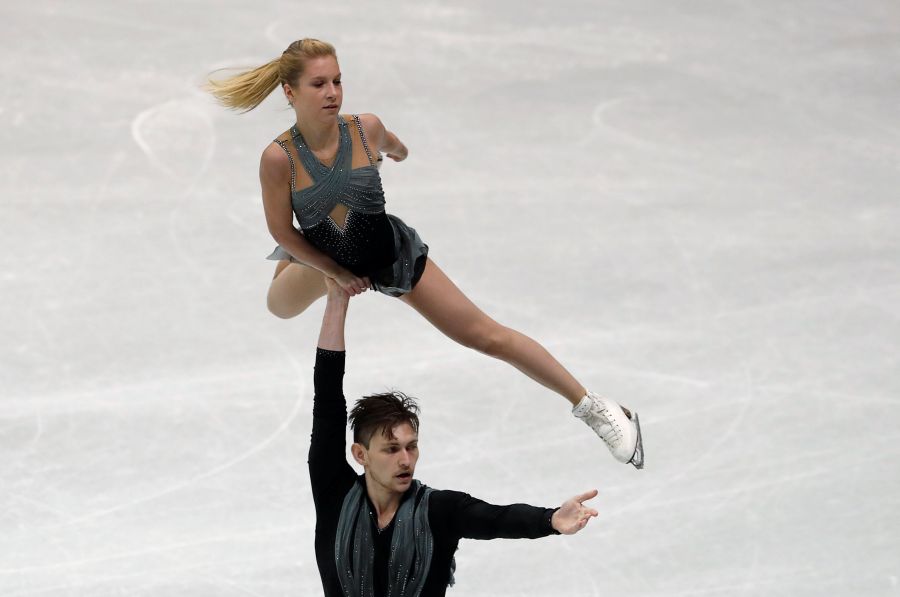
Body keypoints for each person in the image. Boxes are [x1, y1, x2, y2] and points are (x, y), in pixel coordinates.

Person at [206, 38, 643, 469]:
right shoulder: (278, 158)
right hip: (324, 259)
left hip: (387, 255)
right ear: (290, 92)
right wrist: (334, 271)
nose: (333, 93)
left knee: (486, 335)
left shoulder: (365, 128)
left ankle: (595, 407)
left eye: (338, 81)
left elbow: (398, 148)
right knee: (277, 305)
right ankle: (309, 254)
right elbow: (280, 228)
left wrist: (388, 155)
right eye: (319, 84)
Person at [310, 277, 600, 596]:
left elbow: (497, 519)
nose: (406, 459)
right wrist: (337, 300)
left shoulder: (438, 511)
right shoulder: (334, 494)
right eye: (391, 449)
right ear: (360, 454)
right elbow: (327, 398)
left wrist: (551, 520)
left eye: (411, 446)